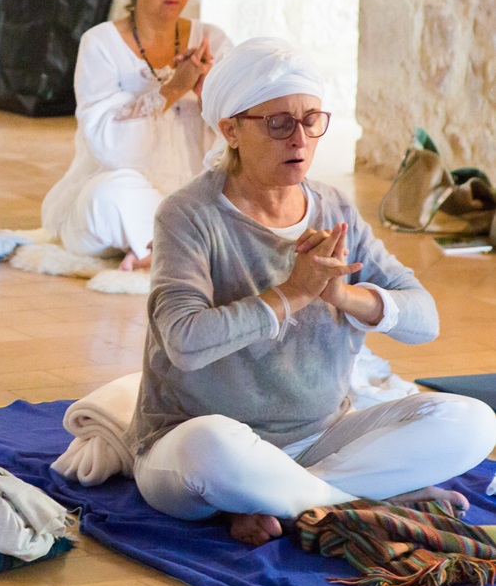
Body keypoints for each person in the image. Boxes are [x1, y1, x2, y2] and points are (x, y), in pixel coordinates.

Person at [127, 37, 496, 547]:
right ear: (231, 130)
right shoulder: (189, 215)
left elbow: (424, 320)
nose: (299, 139)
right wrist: (292, 294)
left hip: (320, 439)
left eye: (312, 120)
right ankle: (362, 502)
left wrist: (344, 298)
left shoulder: (335, 209)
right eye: (279, 123)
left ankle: (291, 500)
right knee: (208, 449)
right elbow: (184, 343)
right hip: (197, 439)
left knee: (473, 422)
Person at [41, 0, 232, 269]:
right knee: (105, 198)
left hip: (195, 191)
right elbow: (107, 144)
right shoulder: (101, 44)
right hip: (127, 187)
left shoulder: (213, 40)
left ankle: (160, 244)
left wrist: (207, 93)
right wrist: (173, 89)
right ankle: (174, 244)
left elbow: (240, 136)